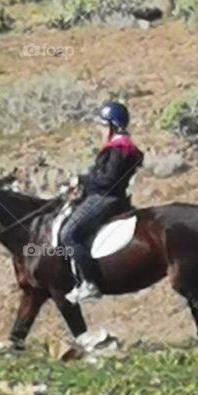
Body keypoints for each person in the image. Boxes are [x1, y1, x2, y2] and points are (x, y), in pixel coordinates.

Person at [62, 100, 143, 304]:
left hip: (105, 199)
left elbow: (108, 180)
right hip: (106, 196)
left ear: (113, 126)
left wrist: (82, 180)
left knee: (68, 234)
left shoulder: (119, 149)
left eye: (103, 125)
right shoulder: (120, 147)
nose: (100, 130)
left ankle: (89, 282)